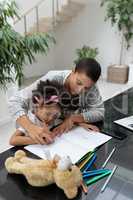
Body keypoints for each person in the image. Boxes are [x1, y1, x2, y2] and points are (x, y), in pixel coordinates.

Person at [8, 58, 104, 145]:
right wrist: (31, 128)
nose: (79, 91)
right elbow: (15, 101)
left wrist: (75, 119)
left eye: (87, 88)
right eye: (78, 83)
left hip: (58, 130)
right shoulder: (52, 79)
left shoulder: (90, 85)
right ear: (73, 71)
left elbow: (99, 111)